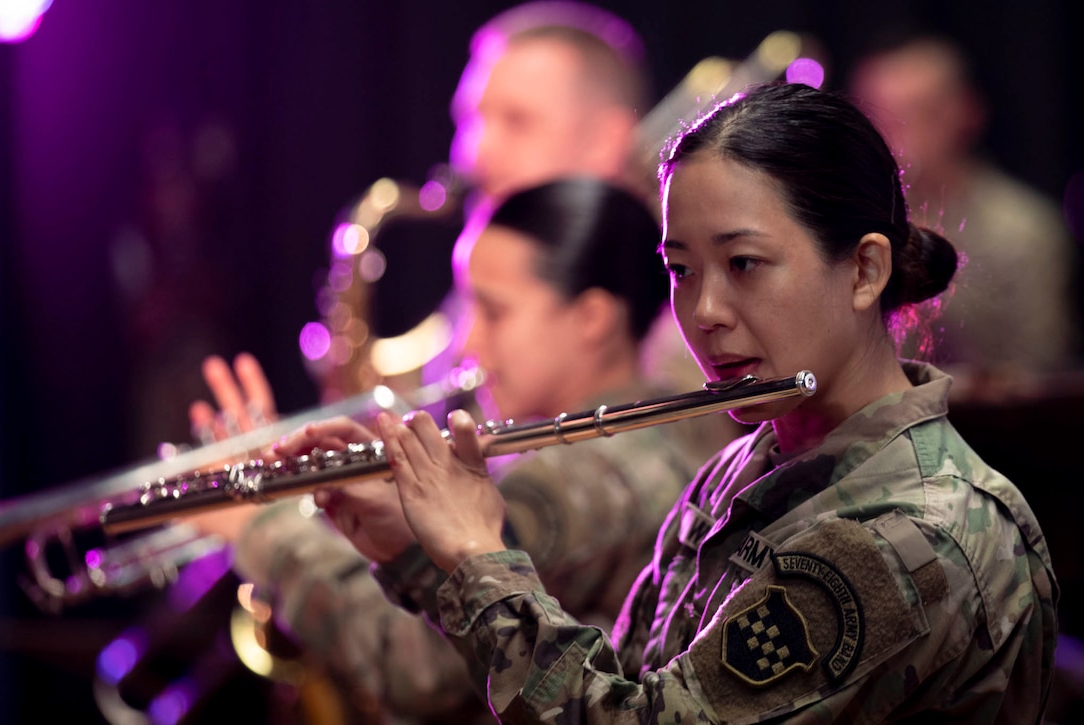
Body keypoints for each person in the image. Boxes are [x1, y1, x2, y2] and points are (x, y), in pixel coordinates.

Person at [297, 82, 1059, 722]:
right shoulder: (743, 467)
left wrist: (476, 556)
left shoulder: (908, 532)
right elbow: (618, 683)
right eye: (683, 270)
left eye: (744, 264)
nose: (704, 313)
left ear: (863, 270)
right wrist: (420, 548)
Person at [206, 178, 714, 721]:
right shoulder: (666, 431)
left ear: (591, 317)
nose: (469, 343)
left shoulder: (579, 477)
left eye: (493, 312)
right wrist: (403, 541)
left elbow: (413, 668)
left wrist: (261, 528)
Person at [848, 35, 1080, 388]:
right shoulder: (844, 224)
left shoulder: (1024, 230)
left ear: (968, 113)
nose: (901, 139)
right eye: (884, 119)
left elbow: (1037, 371)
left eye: (924, 114)